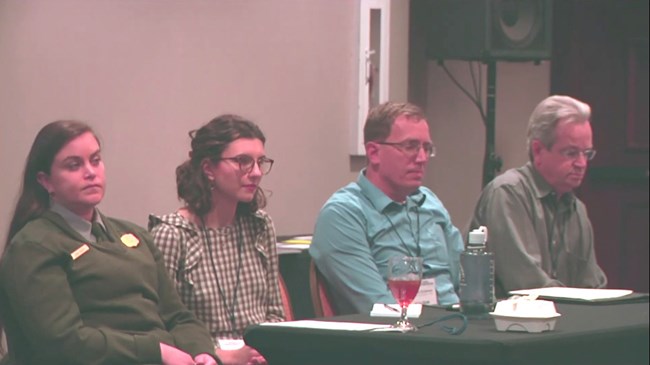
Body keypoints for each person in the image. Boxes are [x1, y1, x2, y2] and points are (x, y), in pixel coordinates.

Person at [0, 120, 221, 365]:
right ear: (45, 181)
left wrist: (202, 353)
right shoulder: (35, 245)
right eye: (74, 165)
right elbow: (63, 342)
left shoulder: (135, 235)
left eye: (95, 160)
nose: (90, 172)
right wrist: (158, 351)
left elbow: (179, 317)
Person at [149, 114, 283, 365]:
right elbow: (162, 328)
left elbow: (275, 313)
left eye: (260, 162)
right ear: (209, 168)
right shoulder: (173, 234)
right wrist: (220, 355)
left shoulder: (260, 225)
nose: (255, 173)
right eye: (243, 161)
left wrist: (266, 349)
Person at [309, 101, 464, 315]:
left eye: (426, 149)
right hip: (401, 338)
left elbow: (463, 282)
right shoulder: (344, 214)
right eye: (410, 147)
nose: (421, 159)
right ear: (373, 152)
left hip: (458, 327)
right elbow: (377, 307)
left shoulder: (430, 203)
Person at [470, 95, 608, 297]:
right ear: (538, 150)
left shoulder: (577, 209)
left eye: (586, 153)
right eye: (571, 153)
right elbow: (528, 286)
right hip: (507, 323)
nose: (582, 163)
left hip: (564, 321)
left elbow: (592, 285)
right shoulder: (508, 193)